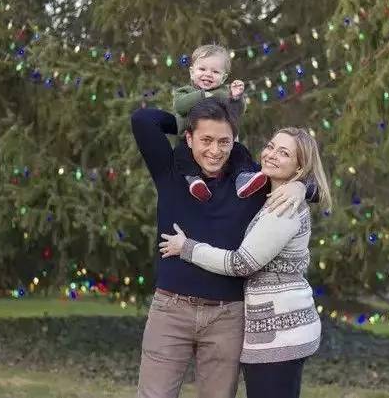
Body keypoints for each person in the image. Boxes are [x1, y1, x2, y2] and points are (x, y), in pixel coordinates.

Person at [131, 97, 315, 398]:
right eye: (205, 140)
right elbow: (143, 120)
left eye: (224, 141)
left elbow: (297, 175)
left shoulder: (251, 180)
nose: (215, 151)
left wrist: (300, 186)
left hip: (227, 316)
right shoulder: (171, 170)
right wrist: (194, 113)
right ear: (189, 138)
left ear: (234, 140)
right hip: (171, 310)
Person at [169, 44, 267, 201]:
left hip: (221, 138)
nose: (208, 74)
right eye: (202, 69)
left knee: (239, 151)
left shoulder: (224, 92)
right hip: (188, 140)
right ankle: (193, 181)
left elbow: (237, 111)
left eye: (215, 72)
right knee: (181, 156)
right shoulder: (186, 92)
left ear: (224, 77)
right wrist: (204, 95)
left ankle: (243, 177)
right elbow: (180, 106)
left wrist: (236, 97)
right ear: (192, 72)